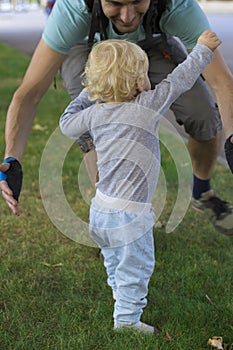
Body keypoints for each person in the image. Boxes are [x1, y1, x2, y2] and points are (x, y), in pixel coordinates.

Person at [0, 0, 233, 234]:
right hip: (89, 46)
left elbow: (220, 81)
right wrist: (12, 159)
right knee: (92, 129)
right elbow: (29, 93)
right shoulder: (73, 8)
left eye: (137, 1)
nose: (128, 16)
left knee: (203, 113)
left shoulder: (177, 6)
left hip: (150, 44)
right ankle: (113, 214)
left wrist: (232, 137)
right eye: (115, 3)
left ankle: (201, 192)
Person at [59, 32, 221, 333]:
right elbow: (181, 78)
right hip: (130, 215)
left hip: (101, 210)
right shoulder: (146, 107)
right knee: (137, 267)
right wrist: (202, 49)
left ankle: (119, 293)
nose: (149, 80)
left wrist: (88, 92)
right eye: (145, 75)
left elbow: (66, 123)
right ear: (137, 83)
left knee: (114, 257)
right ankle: (127, 321)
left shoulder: (94, 114)